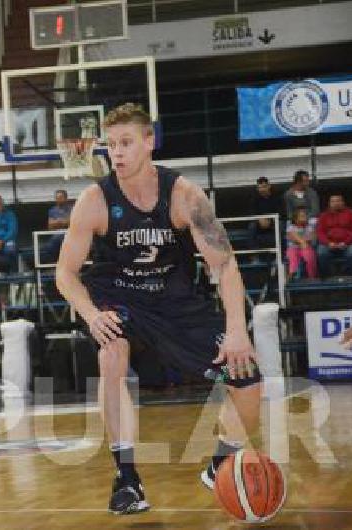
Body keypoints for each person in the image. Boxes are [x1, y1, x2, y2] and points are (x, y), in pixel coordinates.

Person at [55, 103, 261, 515]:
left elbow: (224, 263)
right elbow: (65, 273)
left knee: (248, 381)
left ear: (149, 142)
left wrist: (237, 329)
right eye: (111, 145)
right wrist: (92, 315)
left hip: (177, 303)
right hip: (120, 299)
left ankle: (220, 463)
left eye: (126, 142)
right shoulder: (95, 200)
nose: (117, 152)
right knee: (111, 352)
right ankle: (126, 478)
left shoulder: (184, 195)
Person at [316, 194, 352, 278]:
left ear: (343, 202)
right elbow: (320, 232)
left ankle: (347, 275)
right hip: (329, 244)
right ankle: (329, 276)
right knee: (321, 253)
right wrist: (328, 243)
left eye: (338, 201)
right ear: (329, 203)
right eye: (333, 201)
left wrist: (346, 243)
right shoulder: (323, 216)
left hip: (348, 243)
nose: (336, 203)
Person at [248, 176, 283, 250]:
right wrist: (259, 220)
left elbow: (281, 212)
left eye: (264, 187)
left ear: (269, 186)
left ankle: (281, 254)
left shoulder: (277, 197)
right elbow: (252, 213)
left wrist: (269, 220)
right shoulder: (254, 198)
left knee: (280, 225)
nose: (262, 189)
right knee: (251, 226)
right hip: (259, 223)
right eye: (259, 187)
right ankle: (254, 256)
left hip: (273, 221)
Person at [285, 208, 317, 279]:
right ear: (296, 219)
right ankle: (292, 276)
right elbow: (292, 236)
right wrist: (302, 241)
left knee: (309, 258)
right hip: (293, 248)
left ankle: (312, 277)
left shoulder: (309, 226)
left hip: (307, 247)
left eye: (305, 216)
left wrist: (302, 242)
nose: (305, 217)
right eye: (302, 216)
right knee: (293, 258)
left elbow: (312, 237)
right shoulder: (291, 227)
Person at [44, 189, 73, 262]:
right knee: (49, 246)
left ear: (66, 198)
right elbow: (50, 226)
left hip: (70, 234)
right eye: (57, 198)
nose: (58, 200)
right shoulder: (52, 210)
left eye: (60, 198)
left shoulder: (72, 209)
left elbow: (72, 222)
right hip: (56, 235)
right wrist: (63, 222)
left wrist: (57, 222)